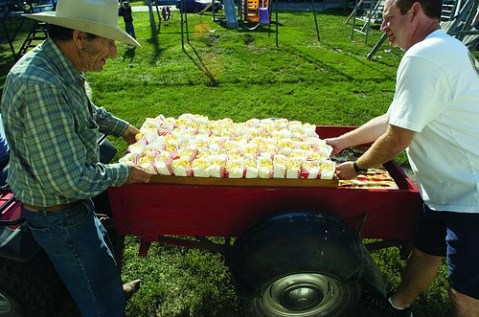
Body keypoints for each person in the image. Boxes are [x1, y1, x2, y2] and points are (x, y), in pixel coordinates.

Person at [325, 0, 479, 316]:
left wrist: (356, 167)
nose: (383, 28)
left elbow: (397, 139)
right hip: (446, 185)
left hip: (471, 193)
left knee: (464, 292)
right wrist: (341, 142)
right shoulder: (443, 46)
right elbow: (395, 117)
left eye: (388, 19)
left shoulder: (423, 57)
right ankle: (397, 307)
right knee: (424, 254)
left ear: (414, 10)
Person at [0, 0, 153, 316]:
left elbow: (86, 111)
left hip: (69, 205)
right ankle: (105, 304)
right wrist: (125, 172)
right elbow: (70, 181)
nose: (112, 52)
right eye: (108, 41)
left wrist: (124, 129)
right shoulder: (39, 85)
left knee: (99, 257)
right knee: (95, 285)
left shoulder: (58, 65)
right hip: (58, 212)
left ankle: (107, 289)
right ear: (81, 37)